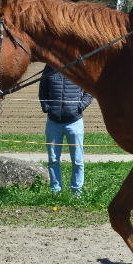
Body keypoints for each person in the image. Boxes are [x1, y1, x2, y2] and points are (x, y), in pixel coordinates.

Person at [39, 65, 93, 197]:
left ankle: (76, 193)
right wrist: (46, 107)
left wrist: (80, 106)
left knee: (77, 160)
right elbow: (43, 90)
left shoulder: (79, 67)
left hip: (74, 122)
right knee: (53, 160)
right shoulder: (49, 67)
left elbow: (89, 91)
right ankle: (56, 192)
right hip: (53, 122)